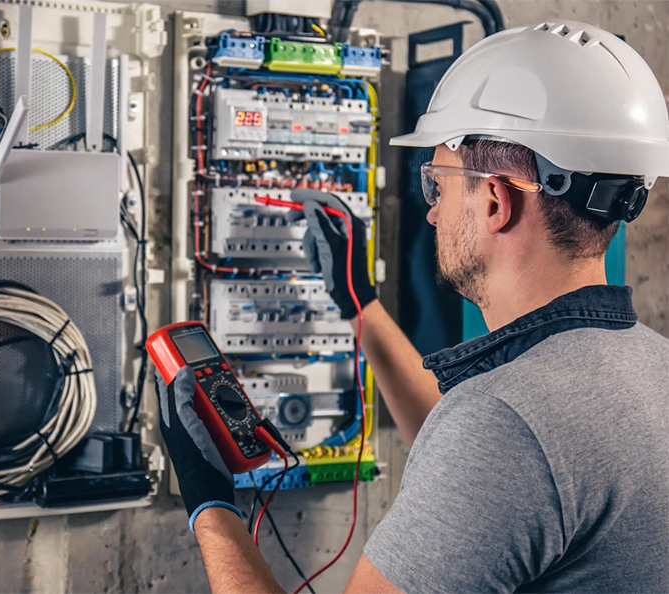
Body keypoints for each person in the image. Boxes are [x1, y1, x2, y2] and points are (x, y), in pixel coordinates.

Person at [158, 20, 669, 593]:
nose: (432, 213)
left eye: (439, 185)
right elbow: (506, 485)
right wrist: (360, 306)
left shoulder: (505, 429)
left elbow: (502, 454)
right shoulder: (651, 371)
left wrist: (210, 504)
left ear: (496, 200)